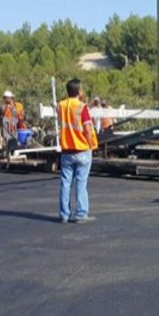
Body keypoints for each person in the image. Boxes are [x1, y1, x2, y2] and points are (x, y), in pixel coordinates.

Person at [58, 79, 98, 224]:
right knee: (81, 183)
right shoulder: (82, 107)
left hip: (66, 150)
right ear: (79, 91)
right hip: (82, 149)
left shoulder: (61, 106)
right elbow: (87, 128)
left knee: (65, 183)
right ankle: (81, 214)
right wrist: (91, 144)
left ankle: (64, 214)